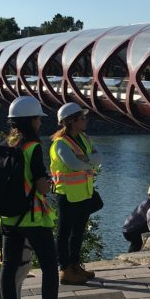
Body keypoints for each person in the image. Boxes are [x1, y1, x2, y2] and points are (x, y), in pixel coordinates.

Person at [0, 96, 72, 299]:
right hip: (33, 219)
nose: (41, 122)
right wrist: (51, 183)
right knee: (50, 267)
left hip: (8, 219)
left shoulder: (7, 144)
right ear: (30, 121)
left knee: (8, 268)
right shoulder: (33, 147)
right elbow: (41, 186)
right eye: (38, 119)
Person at [50, 102, 102, 286]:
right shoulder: (60, 144)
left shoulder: (84, 138)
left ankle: (75, 265)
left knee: (78, 232)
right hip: (68, 195)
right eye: (82, 118)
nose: (85, 120)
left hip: (84, 194)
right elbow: (74, 164)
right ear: (71, 121)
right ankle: (65, 270)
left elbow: (99, 158)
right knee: (64, 233)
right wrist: (89, 161)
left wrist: (85, 160)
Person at [122, 183, 150, 252]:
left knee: (137, 242)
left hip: (128, 230)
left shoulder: (147, 203)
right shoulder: (148, 206)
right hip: (130, 231)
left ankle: (132, 253)